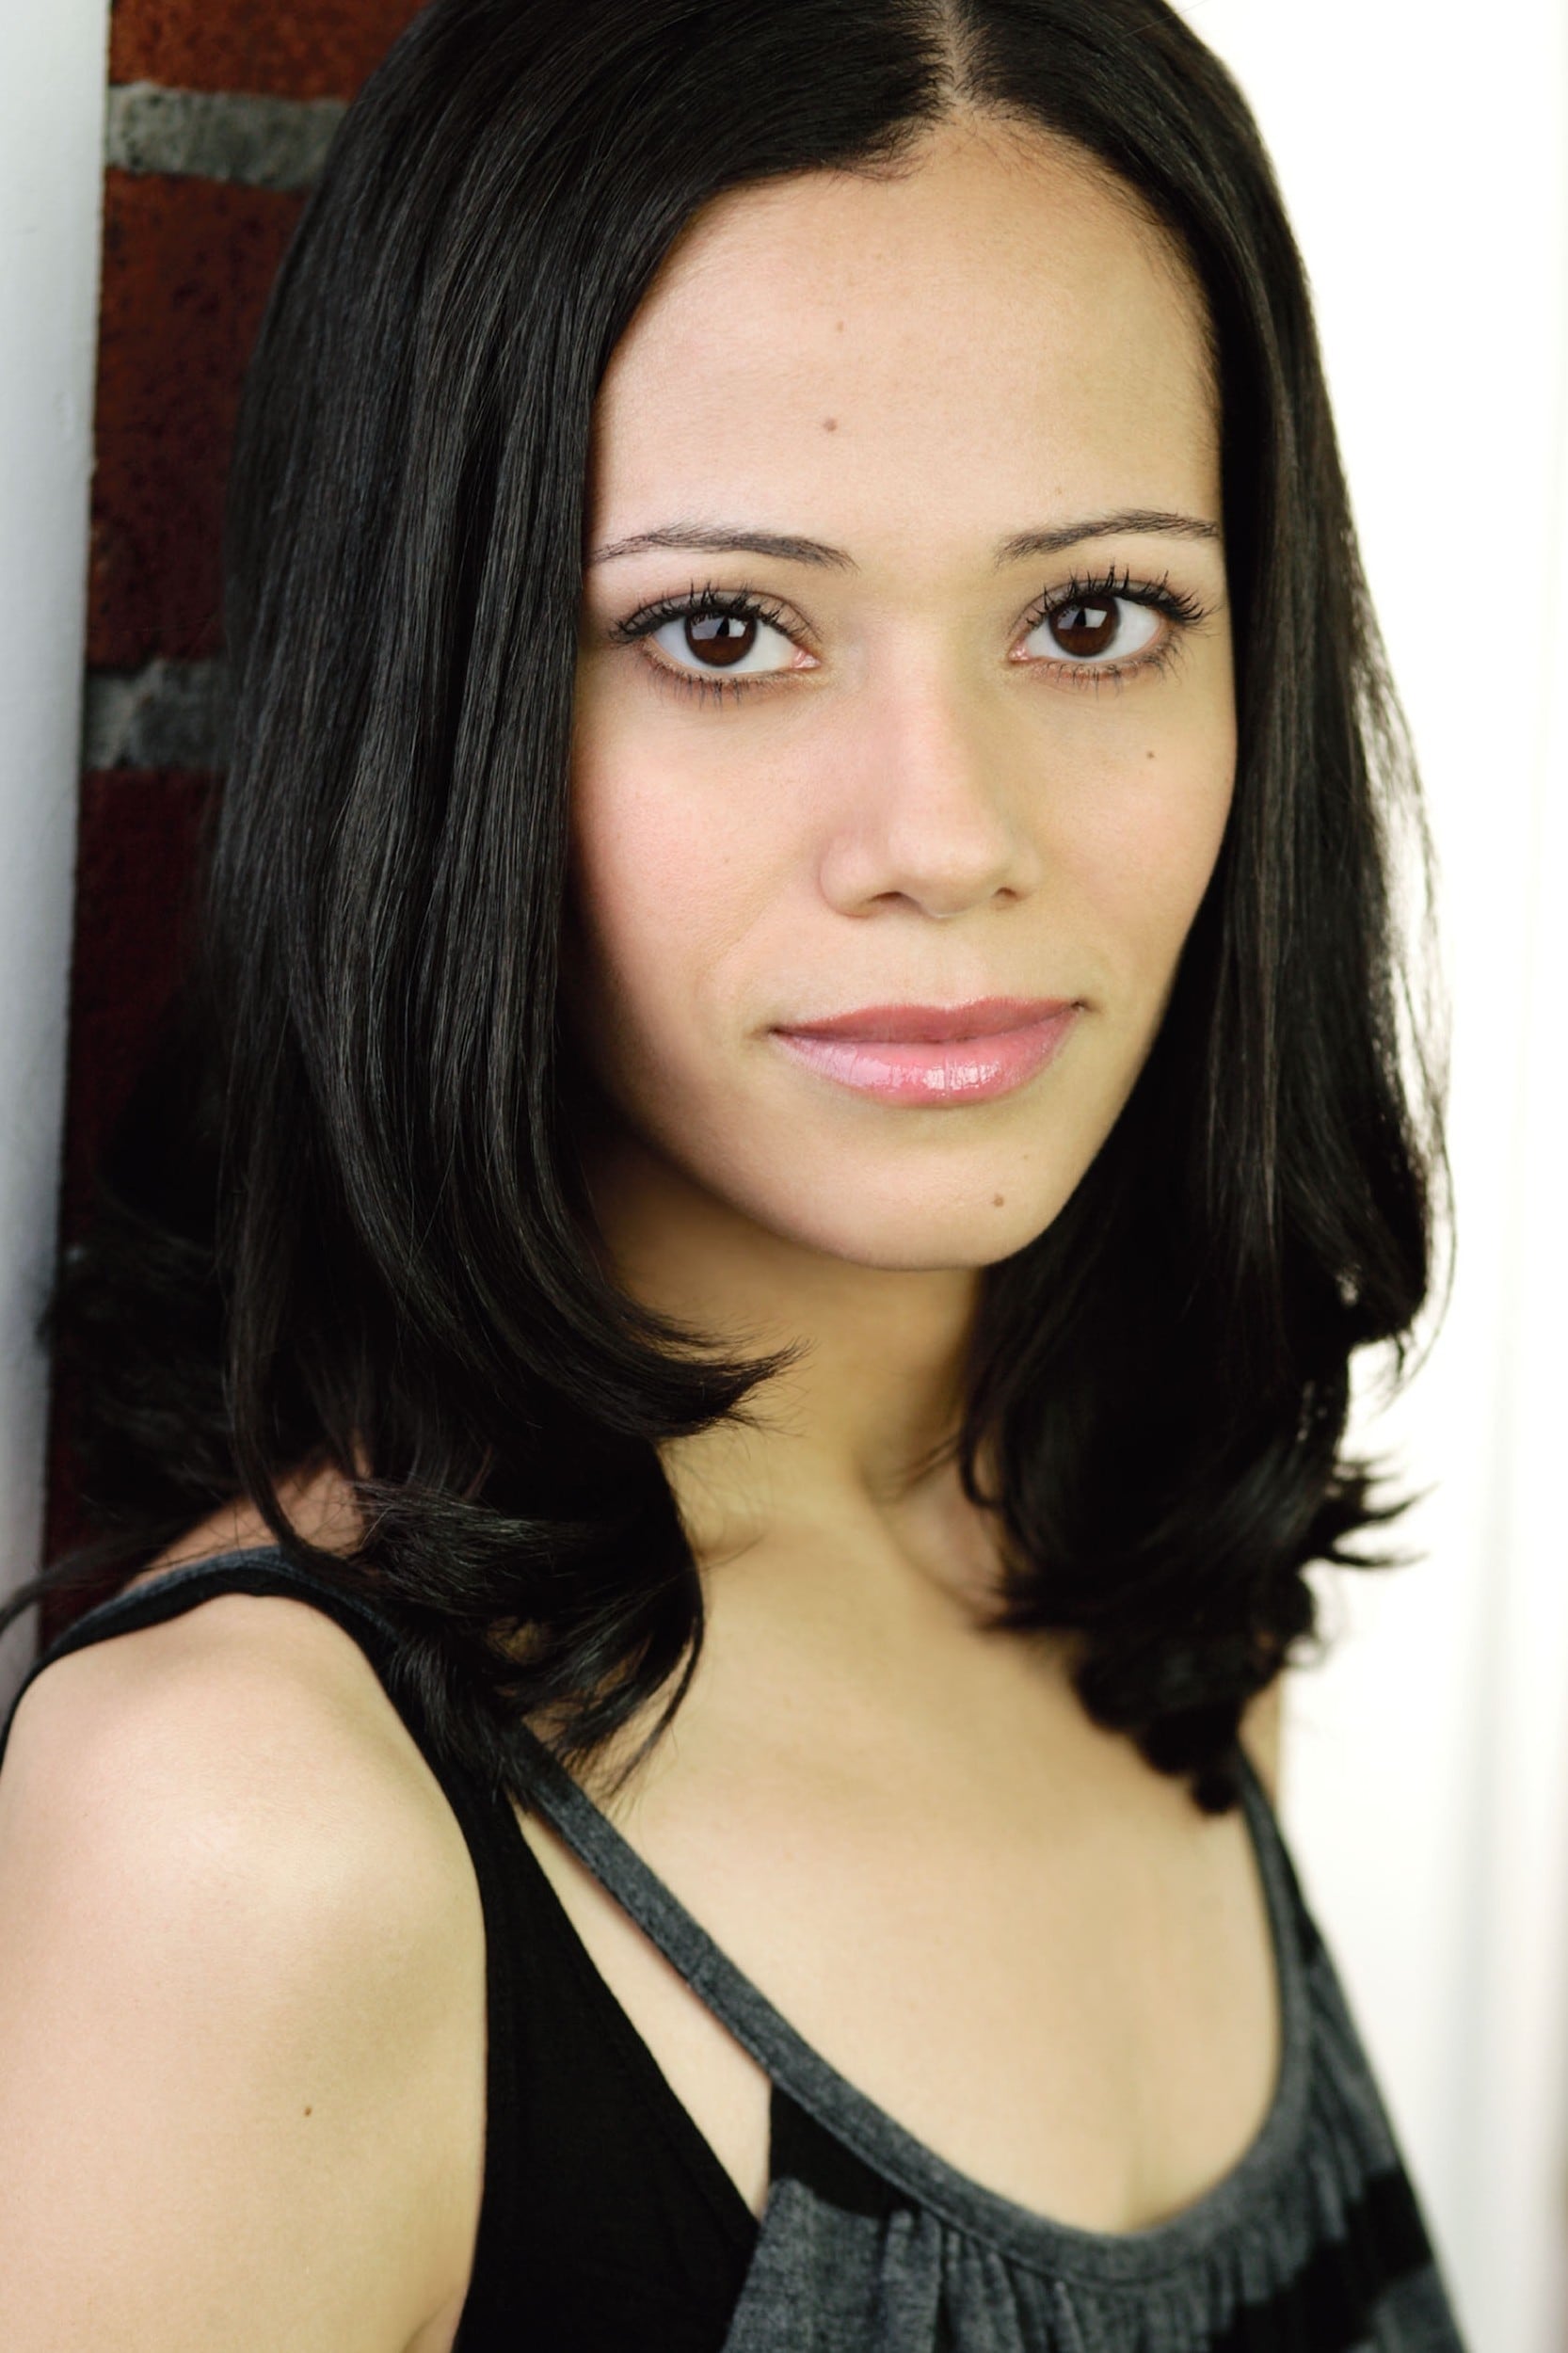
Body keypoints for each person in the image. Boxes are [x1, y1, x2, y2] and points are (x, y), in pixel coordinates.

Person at [0, 0, 1463, 2345]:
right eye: (720, 629)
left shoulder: (1147, 1603)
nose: (945, 835)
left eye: (1091, 617)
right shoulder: (249, 1833)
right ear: (442, 700)